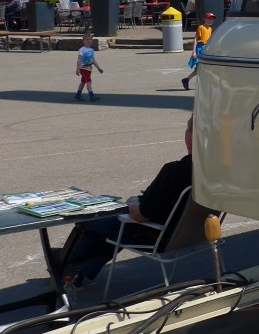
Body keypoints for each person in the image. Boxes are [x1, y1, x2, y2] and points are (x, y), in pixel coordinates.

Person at [60, 116, 194, 287]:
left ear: (191, 136)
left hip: (156, 236)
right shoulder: (214, 172)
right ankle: (81, 268)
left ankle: (67, 265)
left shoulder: (174, 171)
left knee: (92, 221)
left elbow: (141, 215)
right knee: (112, 228)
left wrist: (133, 203)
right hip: (192, 234)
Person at [181, 12, 214, 90]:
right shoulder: (201, 27)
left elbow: (209, 40)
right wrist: (194, 51)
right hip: (200, 47)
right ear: (205, 19)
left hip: (206, 48)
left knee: (203, 67)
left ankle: (186, 80)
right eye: (209, 19)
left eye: (212, 19)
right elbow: (196, 39)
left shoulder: (210, 29)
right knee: (200, 67)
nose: (211, 21)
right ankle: (189, 80)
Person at [74, 32, 104, 101]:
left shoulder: (91, 50)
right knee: (89, 81)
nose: (89, 41)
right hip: (83, 68)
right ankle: (91, 95)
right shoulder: (82, 49)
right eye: (87, 39)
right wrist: (78, 69)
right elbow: (79, 59)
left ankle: (78, 94)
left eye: (90, 39)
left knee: (83, 81)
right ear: (83, 41)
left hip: (89, 69)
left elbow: (93, 60)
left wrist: (99, 68)